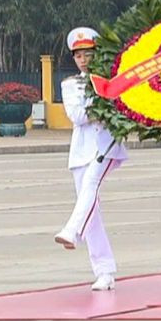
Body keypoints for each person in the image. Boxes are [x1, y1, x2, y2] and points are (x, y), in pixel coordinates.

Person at [53, 26, 126, 291]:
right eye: (79, 55)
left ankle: (72, 230)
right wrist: (101, 106)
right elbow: (77, 116)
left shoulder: (114, 78)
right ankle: (104, 271)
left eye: (88, 53)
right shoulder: (70, 85)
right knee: (92, 212)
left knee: (90, 187)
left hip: (106, 146)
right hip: (81, 150)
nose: (84, 59)